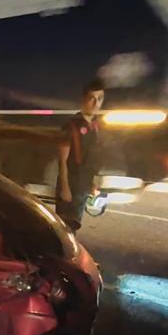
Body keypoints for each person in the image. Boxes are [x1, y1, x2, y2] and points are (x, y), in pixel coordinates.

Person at [56, 78, 106, 231]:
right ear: (83, 100)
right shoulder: (71, 126)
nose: (96, 103)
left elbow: (92, 156)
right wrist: (65, 188)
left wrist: (92, 183)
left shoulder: (96, 126)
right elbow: (62, 160)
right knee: (64, 229)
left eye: (99, 99)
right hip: (71, 184)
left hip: (84, 185)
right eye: (92, 98)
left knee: (74, 227)